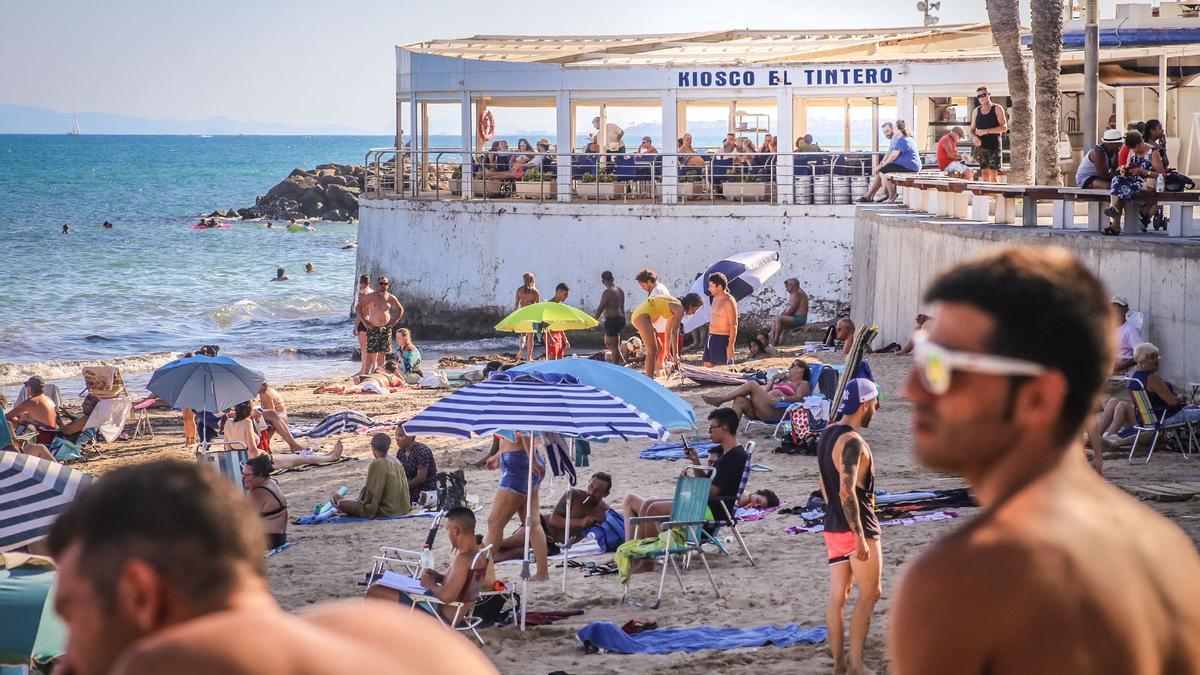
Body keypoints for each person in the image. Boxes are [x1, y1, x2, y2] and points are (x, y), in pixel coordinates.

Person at [890, 246, 1200, 674]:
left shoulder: (958, 580)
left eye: (943, 366)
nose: (913, 389)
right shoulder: (1166, 550)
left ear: (1039, 396)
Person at [47, 460, 497, 675]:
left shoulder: (174, 663)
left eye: (70, 612)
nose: (68, 646)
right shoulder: (394, 633)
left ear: (140, 593)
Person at [817, 378, 882, 675]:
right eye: (874, 404)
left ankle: (838, 665)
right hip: (858, 525)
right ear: (864, 404)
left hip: (831, 525)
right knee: (871, 594)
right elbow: (847, 491)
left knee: (838, 597)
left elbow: (822, 482)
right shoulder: (853, 442)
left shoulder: (828, 434)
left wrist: (834, 512)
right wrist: (859, 537)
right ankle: (856, 664)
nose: (876, 410)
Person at [621, 408, 749, 542]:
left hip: (712, 510)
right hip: (707, 505)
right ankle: (633, 549)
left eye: (712, 427)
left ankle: (646, 556)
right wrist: (695, 461)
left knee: (654, 508)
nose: (709, 431)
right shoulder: (726, 454)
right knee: (649, 502)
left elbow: (712, 492)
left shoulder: (734, 457)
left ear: (724, 428)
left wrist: (689, 486)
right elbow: (710, 484)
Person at [366, 507, 488, 626]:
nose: (448, 534)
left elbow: (447, 596)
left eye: (448, 530)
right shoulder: (478, 555)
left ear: (455, 531)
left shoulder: (463, 559)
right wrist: (438, 577)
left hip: (437, 616)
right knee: (386, 586)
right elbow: (457, 584)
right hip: (444, 611)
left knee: (375, 590)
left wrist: (429, 583)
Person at [496, 472, 613, 561]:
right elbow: (554, 520)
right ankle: (481, 550)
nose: (591, 493)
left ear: (606, 494)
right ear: (588, 483)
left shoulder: (604, 513)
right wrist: (581, 523)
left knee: (517, 553)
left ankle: (491, 560)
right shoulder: (573, 495)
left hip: (555, 545)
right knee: (510, 543)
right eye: (591, 487)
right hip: (542, 527)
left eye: (598, 491)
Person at [485, 432, 549, 581]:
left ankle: (482, 574)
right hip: (524, 458)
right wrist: (499, 455)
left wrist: (532, 460)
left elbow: (525, 431)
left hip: (520, 462)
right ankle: (542, 572)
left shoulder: (513, 408)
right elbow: (513, 434)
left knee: (494, 522)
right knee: (532, 522)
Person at [223, 400, 344, 470]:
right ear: (250, 410)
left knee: (300, 458)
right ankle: (331, 457)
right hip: (259, 463)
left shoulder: (228, 423)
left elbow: (227, 449)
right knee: (303, 459)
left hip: (239, 463)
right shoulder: (247, 423)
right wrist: (264, 455)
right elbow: (253, 451)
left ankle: (326, 456)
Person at [702, 359, 813, 420]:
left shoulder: (803, 383)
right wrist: (773, 380)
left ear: (801, 369)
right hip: (763, 408)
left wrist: (783, 398)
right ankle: (731, 431)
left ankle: (720, 400)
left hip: (776, 410)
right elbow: (764, 393)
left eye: (792, 366)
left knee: (752, 384)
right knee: (740, 400)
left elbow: (801, 398)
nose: (789, 368)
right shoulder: (783, 380)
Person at [334, 433, 412, 518]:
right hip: (404, 507)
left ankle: (338, 499)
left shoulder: (378, 462)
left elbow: (371, 498)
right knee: (346, 501)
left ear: (373, 448)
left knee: (341, 503)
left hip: (389, 510)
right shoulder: (395, 460)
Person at [1104, 130, 1165, 235]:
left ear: (1140, 142)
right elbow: (1128, 165)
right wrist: (1124, 169)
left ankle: (1115, 224)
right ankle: (1114, 209)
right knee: (1117, 180)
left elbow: (1161, 174)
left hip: (1147, 183)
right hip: (1133, 180)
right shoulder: (1132, 151)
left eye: (1134, 148)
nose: (1133, 151)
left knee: (1123, 189)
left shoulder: (1153, 153)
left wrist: (1143, 171)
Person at [630, 293, 704, 378]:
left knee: (659, 346)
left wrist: (667, 351)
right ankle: (648, 379)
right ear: (691, 305)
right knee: (652, 350)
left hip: (641, 316)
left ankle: (648, 373)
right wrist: (675, 354)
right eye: (695, 309)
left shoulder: (674, 307)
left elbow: (668, 330)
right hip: (642, 316)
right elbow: (675, 332)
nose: (694, 313)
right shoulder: (679, 309)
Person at [860, 120, 920, 203]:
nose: (893, 130)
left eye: (894, 128)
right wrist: (883, 164)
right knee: (882, 171)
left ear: (899, 130)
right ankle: (872, 195)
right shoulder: (905, 138)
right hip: (909, 165)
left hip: (909, 166)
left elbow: (893, 155)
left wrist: (883, 165)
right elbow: (890, 153)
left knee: (882, 171)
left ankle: (891, 194)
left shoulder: (901, 139)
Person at [357, 275, 405, 374]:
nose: (383, 285)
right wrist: (365, 322)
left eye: (385, 283)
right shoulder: (371, 296)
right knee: (371, 353)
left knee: (383, 353)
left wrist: (394, 320)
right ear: (378, 284)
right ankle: (366, 374)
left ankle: (379, 373)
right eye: (381, 283)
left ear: (388, 285)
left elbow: (400, 309)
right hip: (373, 327)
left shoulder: (390, 297)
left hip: (385, 329)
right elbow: (358, 308)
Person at [241, 454, 288, 550]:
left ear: (260, 475)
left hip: (268, 540)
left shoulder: (259, 491)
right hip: (278, 537)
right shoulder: (270, 482)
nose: (243, 478)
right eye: (243, 474)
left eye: (247, 475)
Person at [257, 382, 313, 453]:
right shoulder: (269, 390)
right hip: (282, 417)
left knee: (266, 422)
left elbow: (270, 410)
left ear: (263, 385)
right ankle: (292, 445)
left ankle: (265, 446)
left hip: (280, 418)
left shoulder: (265, 394)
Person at [969, 86, 1007, 182]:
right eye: (979, 96)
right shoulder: (976, 111)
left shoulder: (997, 108)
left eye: (983, 95)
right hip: (981, 146)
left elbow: (1004, 128)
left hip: (994, 144)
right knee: (984, 174)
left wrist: (986, 131)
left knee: (994, 174)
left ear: (989, 95)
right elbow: (971, 130)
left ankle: (995, 196)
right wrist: (974, 137)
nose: (981, 97)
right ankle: (988, 196)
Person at [705, 273, 738, 367]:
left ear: (719, 287)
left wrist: (731, 345)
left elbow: (734, 324)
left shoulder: (729, 301)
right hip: (711, 335)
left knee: (721, 365)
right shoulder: (714, 298)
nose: (709, 289)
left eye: (711, 286)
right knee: (707, 363)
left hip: (722, 337)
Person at [316, 360, 407, 394]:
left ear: (385, 366)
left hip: (365, 376)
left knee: (345, 383)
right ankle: (347, 390)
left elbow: (372, 373)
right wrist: (396, 373)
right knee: (359, 387)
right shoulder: (393, 377)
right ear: (394, 370)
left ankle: (328, 388)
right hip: (375, 380)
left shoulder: (379, 369)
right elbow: (403, 383)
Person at [593, 271, 627, 364]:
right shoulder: (620, 290)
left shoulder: (607, 292)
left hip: (612, 321)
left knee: (614, 346)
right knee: (609, 342)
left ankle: (616, 366)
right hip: (620, 319)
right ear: (612, 279)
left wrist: (593, 320)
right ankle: (622, 361)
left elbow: (601, 307)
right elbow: (622, 306)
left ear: (603, 281)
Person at [394, 424, 437, 494]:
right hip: (409, 487)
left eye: (401, 435)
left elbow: (421, 478)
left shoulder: (422, 451)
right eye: (396, 435)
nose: (397, 438)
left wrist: (403, 488)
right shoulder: (401, 452)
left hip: (424, 490)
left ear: (411, 436)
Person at [768, 278, 809, 347]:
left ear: (792, 285)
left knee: (778, 319)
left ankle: (775, 340)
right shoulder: (796, 293)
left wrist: (780, 318)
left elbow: (791, 310)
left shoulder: (797, 293)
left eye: (787, 286)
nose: (786, 289)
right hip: (795, 317)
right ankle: (770, 339)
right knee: (777, 318)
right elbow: (788, 309)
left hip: (800, 319)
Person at [1111, 295, 1142, 374]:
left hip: (1117, 369)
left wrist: (1119, 367)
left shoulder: (1130, 330)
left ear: (1126, 309)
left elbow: (1141, 354)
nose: (1115, 309)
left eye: (1119, 306)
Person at [515, 272, 541, 362]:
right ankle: (528, 357)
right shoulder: (535, 292)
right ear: (533, 280)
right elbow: (538, 307)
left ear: (523, 280)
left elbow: (516, 304)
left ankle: (521, 350)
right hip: (531, 315)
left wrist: (514, 315)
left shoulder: (519, 290)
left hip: (522, 314)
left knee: (523, 335)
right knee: (530, 337)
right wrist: (539, 318)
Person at [545, 283, 571, 360]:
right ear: (559, 292)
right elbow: (543, 323)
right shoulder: (549, 305)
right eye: (565, 294)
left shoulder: (559, 306)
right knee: (552, 360)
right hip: (550, 334)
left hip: (558, 334)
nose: (566, 297)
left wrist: (565, 339)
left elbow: (559, 324)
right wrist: (549, 337)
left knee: (560, 359)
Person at [353, 274, 373, 376]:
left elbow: (361, 312)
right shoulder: (373, 293)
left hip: (363, 322)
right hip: (372, 322)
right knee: (371, 348)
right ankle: (372, 368)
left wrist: (355, 326)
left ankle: (363, 370)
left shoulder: (362, 293)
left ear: (360, 283)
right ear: (369, 282)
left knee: (363, 348)